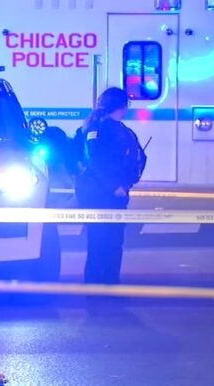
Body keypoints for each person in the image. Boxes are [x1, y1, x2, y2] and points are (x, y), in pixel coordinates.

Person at [75, 88, 146, 285]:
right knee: (110, 242)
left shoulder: (91, 129)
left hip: (99, 194)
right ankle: (106, 283)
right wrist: (120, 185)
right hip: (105, 195)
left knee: (100, 242)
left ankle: (100, 284)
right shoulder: (115, 131)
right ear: (121, 106)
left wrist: (122, 185)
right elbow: (96, 162)